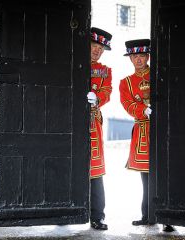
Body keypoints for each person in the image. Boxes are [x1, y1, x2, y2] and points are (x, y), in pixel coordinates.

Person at [119, 39, 175, 233]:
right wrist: (143, 109)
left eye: (142, 56)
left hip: (162, 130)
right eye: (134, 56)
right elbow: (127, 104)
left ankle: (168, 217)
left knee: (165, 175)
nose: (138, 60)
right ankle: (148, 216)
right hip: (143, 132)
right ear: (130, 59)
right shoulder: (125, 82)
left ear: (148, 57)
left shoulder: (158, 75)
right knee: (146, 178)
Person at [87, 27, 113, 231]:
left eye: (100, 48)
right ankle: (64, 211)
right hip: (67, 122)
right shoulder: (71, 63)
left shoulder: (104, 71)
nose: (97, 51)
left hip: (91, 122)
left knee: (95, 169)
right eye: (94, 46)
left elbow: (106, 91)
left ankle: (97, 215)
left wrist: (98, 99)